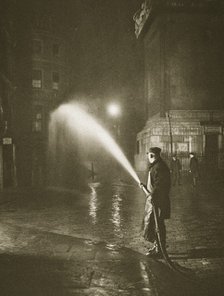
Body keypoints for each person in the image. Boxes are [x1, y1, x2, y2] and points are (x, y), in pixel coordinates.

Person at [140, 147, 171, 257]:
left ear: (152, 155)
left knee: (158, 225)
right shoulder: (157, 166)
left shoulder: (159, 167)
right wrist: (145, 187)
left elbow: (161, 185)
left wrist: (153, 196)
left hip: (158, 202)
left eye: (149, 155)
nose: (148, 158)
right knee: (153, 224)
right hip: (154, 201)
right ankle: (157, 246)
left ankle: (160, 250)